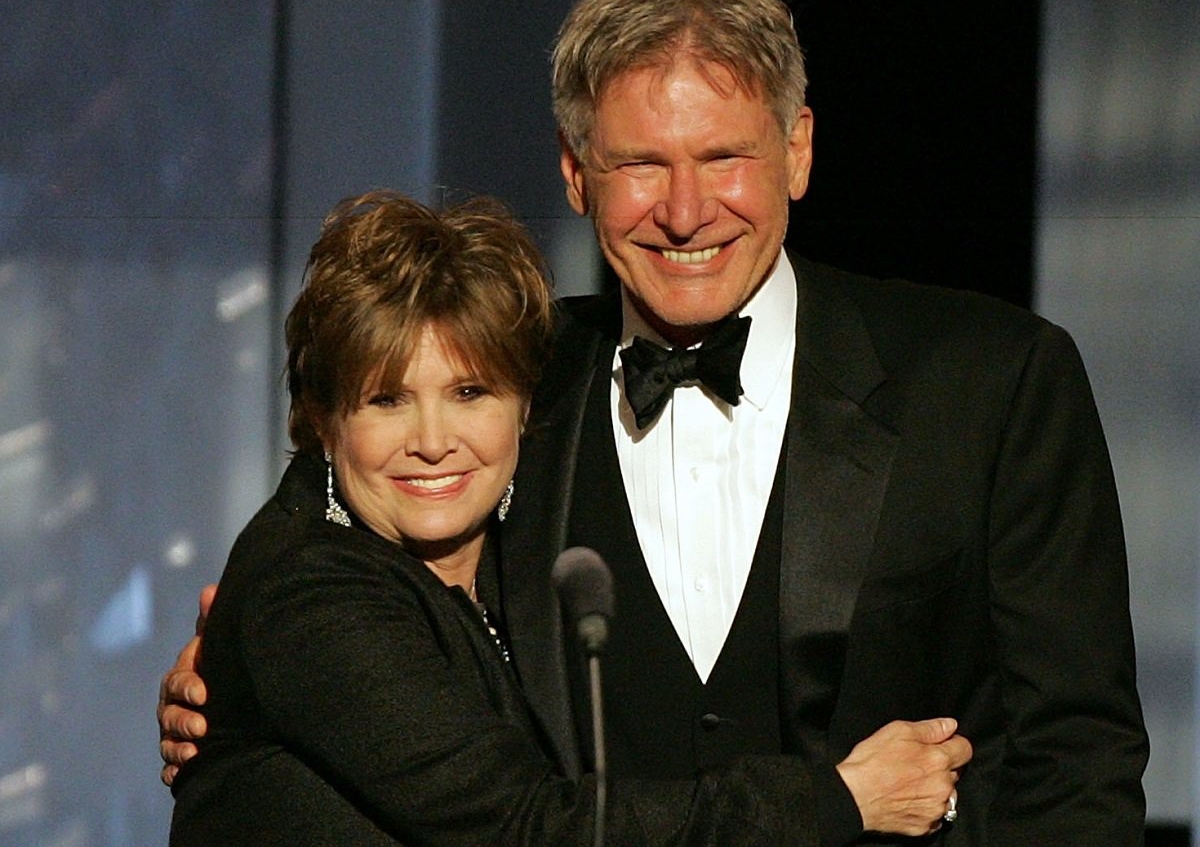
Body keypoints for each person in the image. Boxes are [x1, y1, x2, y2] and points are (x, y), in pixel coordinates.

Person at [162, 0, 1148, 844]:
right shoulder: (499, 373)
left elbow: (1079, 759)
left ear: (797, 150)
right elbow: (330, 503)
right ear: (576, 173)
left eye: (725, 158)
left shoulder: (991, 380)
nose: (684, 211)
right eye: (640, 164)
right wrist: (230, 676)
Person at [167, 189, 968, 845]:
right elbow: (526, 827)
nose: (434, 442)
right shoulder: (309, 588)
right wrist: (840, 798)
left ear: (525, 405)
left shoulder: (511, 550)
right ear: (323, 417)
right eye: (387, 400)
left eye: (469, 392)